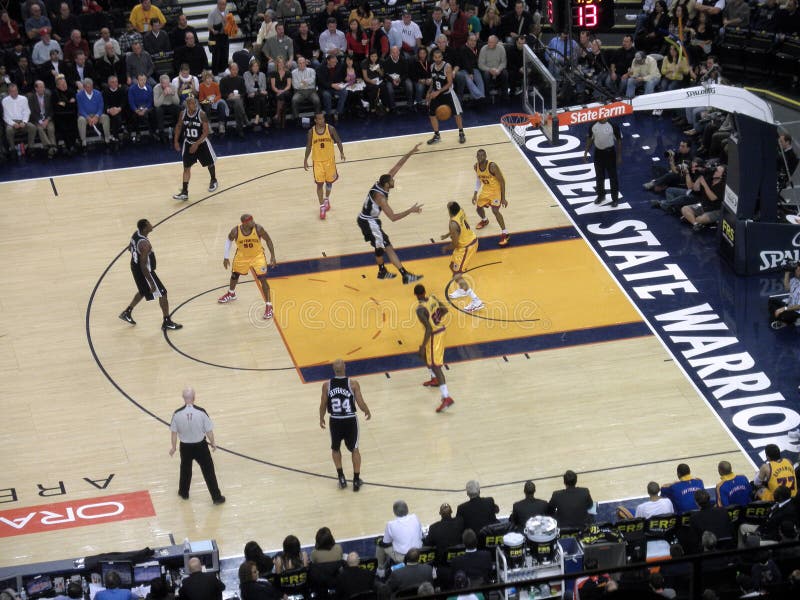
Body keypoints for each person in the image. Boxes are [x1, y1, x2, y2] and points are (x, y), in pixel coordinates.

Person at [357, 143, 424, 283]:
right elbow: (393, 217)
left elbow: (398, 165)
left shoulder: (382, 183)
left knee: (383, 246)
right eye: (392, 180)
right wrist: (410, 210)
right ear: (387, 184)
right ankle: (404, 275)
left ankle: (383, 271)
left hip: (369, 220)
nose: (394, 180)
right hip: (369, 222)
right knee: (385, 247)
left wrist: (411, 151)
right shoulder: (380, 198)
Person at [119, 219, 182, 330]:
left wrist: (136, 255)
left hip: (134, 267)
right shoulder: (145, 245)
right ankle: (166, 320)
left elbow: (130, 247)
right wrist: (151, 282)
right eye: (149, 224)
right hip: (145, 271)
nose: (151, 225)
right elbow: (143, 265)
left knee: (143, 291)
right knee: (163, 293)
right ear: (145, 229)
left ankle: (127, 312)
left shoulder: (136, 234)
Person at [319, 358, 371, 491]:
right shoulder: (353, 384)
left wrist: (321, 418)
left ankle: (341, 477)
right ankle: (355, 480)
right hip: (350, 420)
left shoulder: (327, 385)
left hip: (335, 420)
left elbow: (323, 404)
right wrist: (367, 410)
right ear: (345, 367)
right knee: (355, 449)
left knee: (335, 448)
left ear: (333, 369)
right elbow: (360, 402)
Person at [169, 388, 225, 504]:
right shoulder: (201, 412)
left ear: (183, 398)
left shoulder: (177, 413)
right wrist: (213, 443)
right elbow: (209, 431)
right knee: (209, 471)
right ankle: (216, 497)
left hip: (185, 447)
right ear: (194, 397)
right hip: (201, 447)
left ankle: (183, 493)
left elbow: (174, 433)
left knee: (185, 470)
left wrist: (173, 447)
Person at [218, 214, 277, 320]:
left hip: (257, 256)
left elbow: (268, 240)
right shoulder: (235, 231)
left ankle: (269, 306)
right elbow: (228, 240)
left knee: (263, 279)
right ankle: (231, 294)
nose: (253, 222)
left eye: (253, 220)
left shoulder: (258, 228)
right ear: (244, 223)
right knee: (234, 275)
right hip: (242, 256)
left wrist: (272, 256)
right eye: (250, 221)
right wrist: (226, 257)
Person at [414, 283, 453, 413]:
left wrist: (422, 346)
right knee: (426, 356)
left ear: (416, 295)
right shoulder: (433, 298)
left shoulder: (420, 309)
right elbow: (445, 310)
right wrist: (436, 318)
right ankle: (434, 378)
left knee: (436, 366)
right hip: (441, 329)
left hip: (435, 335)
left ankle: (446, 397)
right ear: (424, 292)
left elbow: (429, 329)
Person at [172, 95, 218, 200]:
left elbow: (206, 132)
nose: (195, 105)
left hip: (202, 143)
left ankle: (213, 180)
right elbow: (179, 126)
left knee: (210, 163)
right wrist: (175, 141)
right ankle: (184, 192)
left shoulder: (202, 114)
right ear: (187, 105)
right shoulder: (183, 114)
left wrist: (196, 144)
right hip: (188, 142)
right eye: (192, 103)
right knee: (186, 168)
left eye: (195, 103)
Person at [442, 201, 483, 313]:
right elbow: (458, 229)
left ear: (450, 211)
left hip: (466, 247)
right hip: (469, 240)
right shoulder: (460, 211)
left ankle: (476, 301)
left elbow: (455, 244)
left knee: (456, 275)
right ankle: (462, 290)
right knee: (453, 267)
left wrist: (446, 248)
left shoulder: (453, 224)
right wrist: (447, 234)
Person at [304, 113, 345, 220]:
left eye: (323, 119)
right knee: (319, 184)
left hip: (329, 161)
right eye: (319, 119)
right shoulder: (311, 132)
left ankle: (326, 199)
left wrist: (342, 152)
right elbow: (309, 146)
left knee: (329, 182)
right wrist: (305, 159)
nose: (322, 121)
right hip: (317, 162)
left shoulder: (330, 129)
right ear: (315, 120)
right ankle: (322, 206)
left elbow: (338, 140)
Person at [426, 47, 465, 145]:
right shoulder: (431, 67)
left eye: (439, 57)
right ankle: (437, 135)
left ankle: (461, 133)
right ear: (433, 58)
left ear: (442, 57)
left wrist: (438, 92)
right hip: (436, 93)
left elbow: (449, 83)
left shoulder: (447, 67)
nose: (437, 59)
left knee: (457, 114)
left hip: (447, 93)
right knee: (431, 115)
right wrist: (429, 92)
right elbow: (433, 81)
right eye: (435, 57)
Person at [472, 149, 509, 245]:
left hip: (496, 190)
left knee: (495, 211)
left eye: (482, 156)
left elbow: (502, 181)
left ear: (485, 156)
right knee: (478, 208)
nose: (480, 158)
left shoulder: (492, 166)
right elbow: (478, 180)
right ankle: (485, 220)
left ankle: (505, 233)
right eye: (478, 156)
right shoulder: (476, 166)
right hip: (486, 190)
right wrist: (475, 193)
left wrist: (503, 198)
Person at [584, 115, 622, 207]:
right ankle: (601, 195)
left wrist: (619, 156)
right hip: (598, 153)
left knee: (613, 177)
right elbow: (590, 139)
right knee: (599, 176)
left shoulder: (613, 125)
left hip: (610, 153)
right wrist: (586, 152)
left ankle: (615, 199)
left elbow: (619, 141)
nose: (604, 117)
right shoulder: (593, 125)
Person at [377, 500, 424, 570]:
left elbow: (385, 543)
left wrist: (380, 541)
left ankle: (380, 570)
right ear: (407, 509)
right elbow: (421, 535)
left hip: (403, 557)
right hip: (418, 553)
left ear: (394, 512)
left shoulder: (390, 524)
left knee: (379, 543)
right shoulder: (415, 517)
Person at [769, 262, 800, 330]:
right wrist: (787, 273)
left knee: (783, 315)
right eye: (796, 270)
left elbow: (798, 307)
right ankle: (780, 318)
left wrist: (783, 309)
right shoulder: (795, 279)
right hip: (789, 305)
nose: (795, 272)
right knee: (771, 301)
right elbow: (787, 288)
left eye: (798, 270)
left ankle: (795, 320)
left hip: (797, 311)